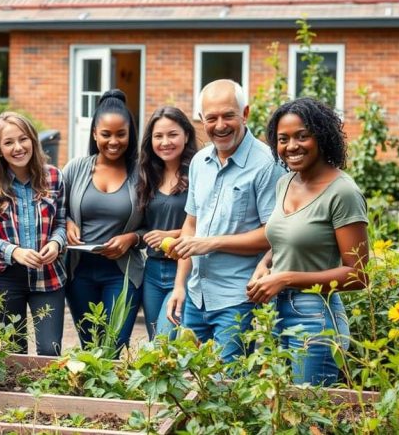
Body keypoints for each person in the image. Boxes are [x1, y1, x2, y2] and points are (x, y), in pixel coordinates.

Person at [247, 97, 369, 385]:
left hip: (316, 318)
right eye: (283, 139)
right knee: (279, 414)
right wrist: (266, 265)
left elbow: (359, 275)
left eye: (303, 136)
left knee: (310, 417)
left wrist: (286, 278)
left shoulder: (343, 193)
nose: (292, 146)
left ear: (322, 136)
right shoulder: (285, 182)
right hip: (275, 313)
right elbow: (284, 240)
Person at [165, 79, 284, 362]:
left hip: (237, 298)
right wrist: (180, 285)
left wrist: (210, 244)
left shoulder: (267, 163)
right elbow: (190, 226)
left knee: (226, 389)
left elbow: (274, 234)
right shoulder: (199, 162)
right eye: (211, 118)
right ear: (201, 120)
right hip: (196, 294)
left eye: (228, 115)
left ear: (245, 114)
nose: (220, 125)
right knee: (189, 378)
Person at [0, 112, 67, 355]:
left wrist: (57, 243)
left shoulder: (54, 177)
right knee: (14, 353)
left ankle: (48, 395)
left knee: (50, 350)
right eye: (8, 142)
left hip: (48, 276)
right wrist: (14, 251)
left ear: (33, 140)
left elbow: (61, 222)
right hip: (7, 279)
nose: (18, 147)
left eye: (23, 139)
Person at [64, 89, 144, 352]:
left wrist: (132, 238)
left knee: (115, 346)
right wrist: (66, 222)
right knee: (90, 348)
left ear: (130, 134)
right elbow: (52, 208)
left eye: (121, 134)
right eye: (106, 134)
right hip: (80, 273)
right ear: (94, 133)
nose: (113, 141)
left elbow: (154, 226)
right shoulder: (76, 168)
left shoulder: (141, 174)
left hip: (121, 274)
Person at [136, 107, 198, 340]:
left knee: (164, 340)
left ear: (186, 135)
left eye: (172, 134)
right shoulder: (146, 175)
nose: (165, 142)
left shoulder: (198, 172)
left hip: (184, 268)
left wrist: (169, 235)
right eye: (158, 136)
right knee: (157, 343)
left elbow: (207, 224)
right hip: (152, 270)